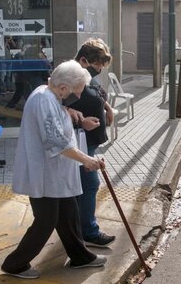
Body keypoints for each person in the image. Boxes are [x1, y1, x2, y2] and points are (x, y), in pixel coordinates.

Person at [1, 60, 107, 279]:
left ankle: (80, 257)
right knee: (46, 220)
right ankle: (14, 264)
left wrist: (74, 116)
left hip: (55, 173)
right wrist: (87, 160)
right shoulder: (43, 100)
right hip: (44, 174)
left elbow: (56, 123)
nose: (77, 96)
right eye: (76, 92)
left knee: (68, 214)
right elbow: (55, 141)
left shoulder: (49, 95)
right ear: (63, 88)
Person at [68, 38, 115, 248]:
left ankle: (79, 228)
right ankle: (88, 231)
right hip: (79, 140)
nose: (101, 69)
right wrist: (78, 118)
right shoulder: (69, 76)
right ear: (84, 60)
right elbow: (54, 103)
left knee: (83, 186)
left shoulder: (84, 75)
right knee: (89, 184)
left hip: (89, 140)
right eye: (98, 65)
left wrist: (107, 107)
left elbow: (93, 89)